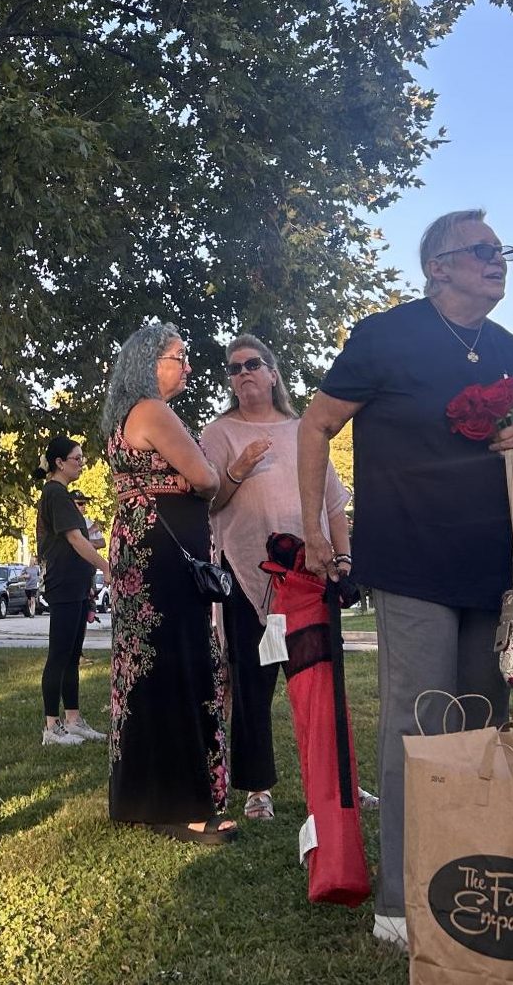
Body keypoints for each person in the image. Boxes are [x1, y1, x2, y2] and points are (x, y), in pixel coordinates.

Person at [296, 211, 513, 951]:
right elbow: (314, 424)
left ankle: (470, 876)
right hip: (409, 555)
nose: (496, 260)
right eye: (480, 251)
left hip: (493, 562)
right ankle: (402, 899)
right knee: (420, 716)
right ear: (436, 266)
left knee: (480, 718)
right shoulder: (384, 335)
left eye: (501, 249)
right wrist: (316, 529)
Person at [103, 322, 268, 845]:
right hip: (166, 554)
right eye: (178, 356)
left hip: (143, 548)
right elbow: (205, 479)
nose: (188, 365)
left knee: (144, 669)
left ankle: (143, 795)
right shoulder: (153, 411)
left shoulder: (124, 417)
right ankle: (183, 804)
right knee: (178, 663)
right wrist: (224, 474)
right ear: (149, 364)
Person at [199, 334, 350, 822]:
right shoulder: (219, 433)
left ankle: (338, 781)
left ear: (272, 373)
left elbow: (333, 504)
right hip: (247, 575)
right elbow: (209, 503)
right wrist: (237, 472)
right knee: (252, 683)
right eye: (234, 367)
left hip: (308, 574)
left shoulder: (305, 428)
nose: (242, 372)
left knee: (320, 682)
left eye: (252, 364)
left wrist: (344, 560)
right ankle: (256, 789)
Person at [33, 436, 112, 747]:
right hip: (64, 583)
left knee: (73, 655)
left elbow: (84, 539)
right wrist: (106, 567)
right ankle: (52, 727)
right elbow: (77, 540)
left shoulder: (62, 494)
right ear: (59, 463)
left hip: (77, 584)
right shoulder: (55, 493)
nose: (81, 463)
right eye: (76, 458)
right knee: (60, 654)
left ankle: (73, 719)